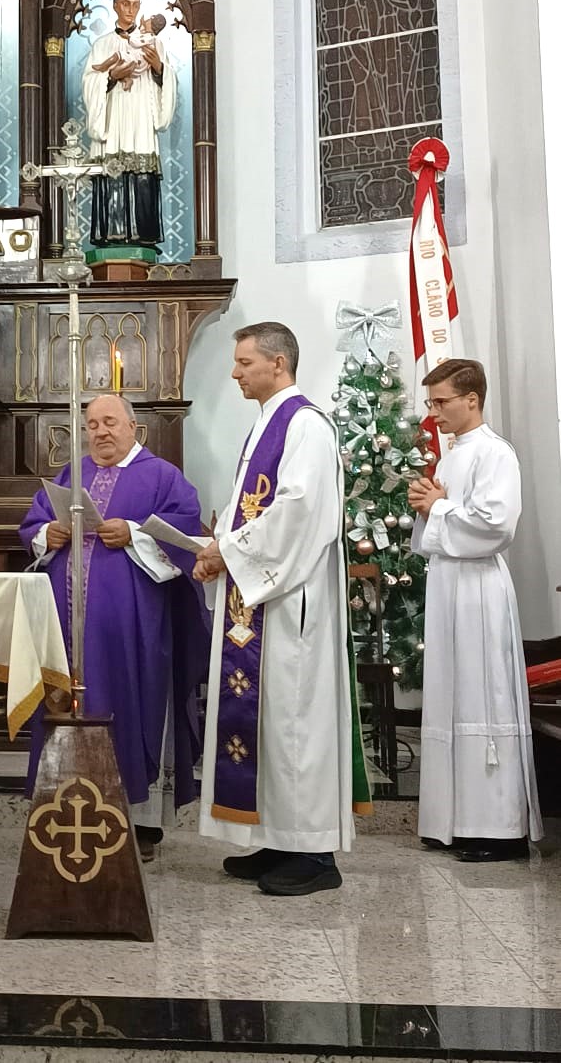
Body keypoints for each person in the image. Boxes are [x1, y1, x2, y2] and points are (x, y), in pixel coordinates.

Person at [192, 323, 370, 896]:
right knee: (269, 723)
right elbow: (246, 509)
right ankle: (277, 836)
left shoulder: (306, 426)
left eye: (245, 363)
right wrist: (216, 547)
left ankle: (315, 854)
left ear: (278, 362)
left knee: (295, 723)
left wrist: (229, 552)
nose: (235, 372)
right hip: (263, 595)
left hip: (293, 605)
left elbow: (298, 512)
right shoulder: (267, 424)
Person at [19, 394, 210, 860]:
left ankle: (139, 820)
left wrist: (135, 534)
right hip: (67, 626)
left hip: (132, 629)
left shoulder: (162, 476)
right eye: (92, 425)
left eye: (110, 423)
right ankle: (61, 809)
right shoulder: (72, 475)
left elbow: (187, 533)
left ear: (133, 428)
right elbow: (34, 524)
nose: (100, 432)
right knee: (66, 702)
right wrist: (50, 534)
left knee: (131, 704)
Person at [408, 358, 542, 861]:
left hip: (481, 588)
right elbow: (440, 523)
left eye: (441, 401)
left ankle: (497, 830)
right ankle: (453, 821)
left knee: (482, 698)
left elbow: (496, 524)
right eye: (430, 402)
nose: (433, 412)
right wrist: (430, 505)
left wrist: (437, 507)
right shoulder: (451, 456)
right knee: (450, 694)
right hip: (448, 585)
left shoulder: (494, 452)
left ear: (472, 399)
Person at [82, 0, 177, 249]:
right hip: (113, 121)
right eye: (125, 3)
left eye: (136, 4)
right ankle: (111, 236)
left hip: (141, 121)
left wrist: (158, 67)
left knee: (142, 172)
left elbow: (167, 78)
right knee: (114, 173)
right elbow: (89, 83)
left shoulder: (153, 43)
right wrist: (112, 76)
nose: (131, 9)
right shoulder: (102, 45)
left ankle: (143, 237)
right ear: (115, 6)